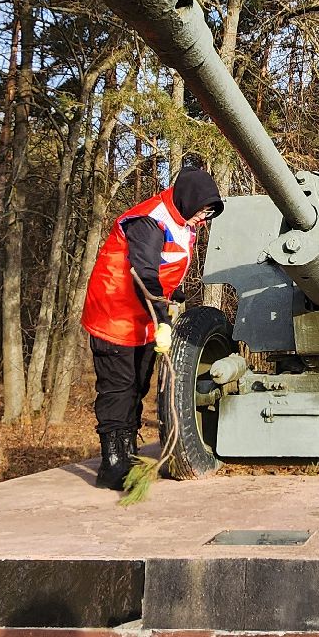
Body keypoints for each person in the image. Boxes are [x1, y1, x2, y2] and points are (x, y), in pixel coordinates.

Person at [81, 167, 223, 490]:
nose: (203, 218)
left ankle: (129, 454)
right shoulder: (150, 220)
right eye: (202, 210)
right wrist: (164, 318)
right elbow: (144, 272)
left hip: (142, 316)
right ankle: (113, 462)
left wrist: (173, 299)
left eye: (208, 213)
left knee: (138, 383)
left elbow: (165, 267)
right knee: (118, 386)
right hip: (114, 313)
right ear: (188, 200)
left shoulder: (184, 223)